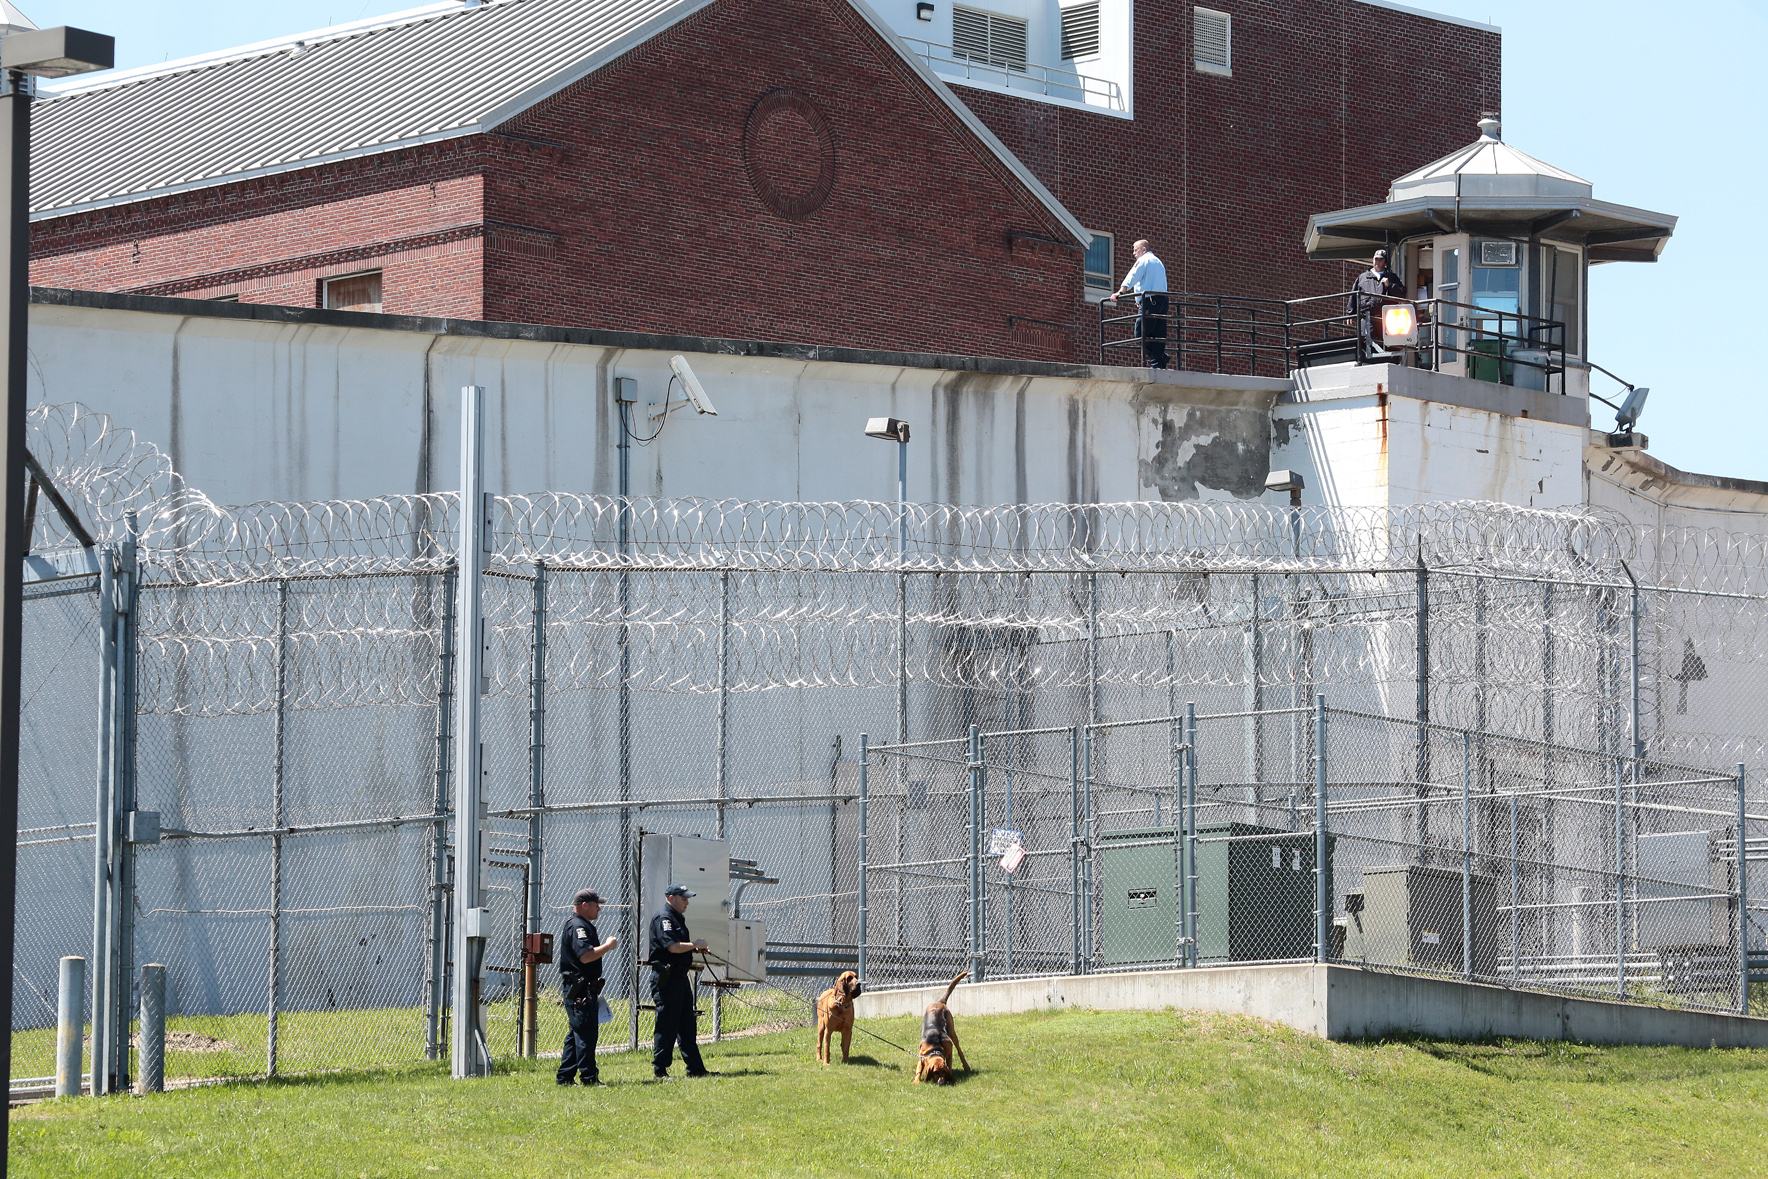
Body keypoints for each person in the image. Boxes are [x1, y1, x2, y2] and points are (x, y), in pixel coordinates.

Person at [647, 883, 711, 1079]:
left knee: (687, 1025)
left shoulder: (677, 918)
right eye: (684, 898)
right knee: (667, 1025)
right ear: (671, 897)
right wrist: (694, 945)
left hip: (680, 978)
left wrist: (694, 948)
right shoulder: (664, 918)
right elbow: (673, 948)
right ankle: (660, 1070)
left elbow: (679, 947)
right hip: (667, 980)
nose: (687, 903)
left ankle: (696, 1069)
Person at [558, 888, 618, 1086]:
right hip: (579, 990)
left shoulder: (583, 925)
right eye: (596, 904)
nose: (599, 909)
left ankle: (565, 1077)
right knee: (585, 1034)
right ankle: (589, 1078)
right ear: (585, 905)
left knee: (577, 1033)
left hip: (585, 988)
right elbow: (586, 956)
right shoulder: (578, 927)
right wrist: (608, 947)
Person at [1112, 239, 1169, 370]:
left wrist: (1120, 292)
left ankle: (1159, 358)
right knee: (1158, 334)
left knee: (1140, 333)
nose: (1133, 253)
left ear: (1143, 250)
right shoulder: (1158, 262)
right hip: (1163, 300)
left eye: (1135, 249)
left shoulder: (1144, 260)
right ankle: (1158, 362)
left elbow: (1132, 277)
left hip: (1150, 301)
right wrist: (1139, 301)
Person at [1348, 248, 1406, 359]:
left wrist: (1390, 285)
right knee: (1365, 343)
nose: (1377, 262)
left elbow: (1402, 293)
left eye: (1380, 259)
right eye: (1375, 259)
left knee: (1387, 346)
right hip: (1367, 318)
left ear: (1385, 262)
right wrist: (1350, 313)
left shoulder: (1392, 277)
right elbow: (1354, 295)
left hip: (1387, 320)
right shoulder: (1363, 278)